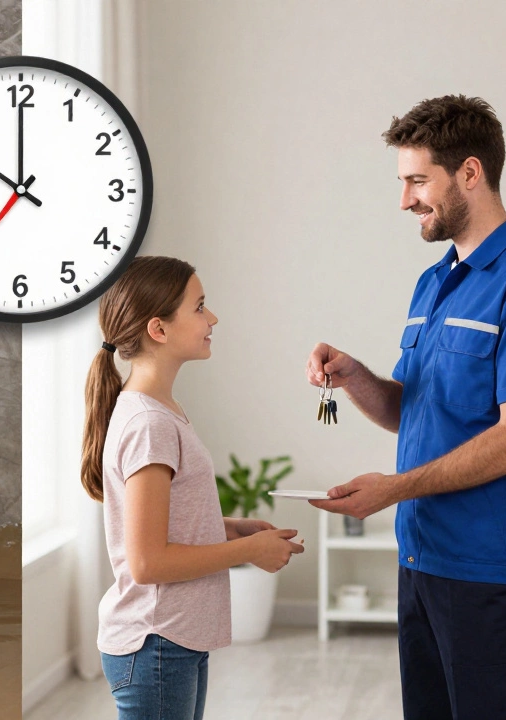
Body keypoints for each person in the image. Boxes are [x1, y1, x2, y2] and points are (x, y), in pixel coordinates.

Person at [306, 95, 506, 719]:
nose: (404, 200)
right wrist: (355, 378)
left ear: (469, 173)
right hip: (423, 559)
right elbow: (411, 410)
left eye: (416, 180)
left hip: (492, 575)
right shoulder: (435, 281)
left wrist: (395, 488)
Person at [81, 255, 305, 720]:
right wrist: (249, 552)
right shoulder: (149, 423)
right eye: (200, 307)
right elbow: (148, 562)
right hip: (156, 643)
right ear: (158, 329)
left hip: (169, 640)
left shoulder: (158, 410)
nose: (213, 318)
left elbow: (159, 525)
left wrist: (229, 528)